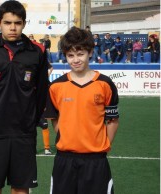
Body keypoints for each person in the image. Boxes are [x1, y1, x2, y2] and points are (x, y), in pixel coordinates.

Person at [0, 1, 49, 194]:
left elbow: (41, 92)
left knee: (21, 189)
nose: (12, 27)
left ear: (24, 23)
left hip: (23, 131)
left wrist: (31, 120)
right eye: (7, 22)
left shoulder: (38, 51)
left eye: (17, 22)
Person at [44, 27, 119, 194]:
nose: (75, 60)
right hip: (64, 160)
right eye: (70, 55)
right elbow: (54, 118)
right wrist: (68, 137)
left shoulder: (105, 84)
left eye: (80, 54)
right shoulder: (56, 86)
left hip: (96, 161)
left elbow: (112, 120)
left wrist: (104, 144)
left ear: (90, 52)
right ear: (65, 56)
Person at [38, 64, 53, 155]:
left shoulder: (47, 82)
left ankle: (46, 148)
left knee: (44, 126)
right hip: (30, 107)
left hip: (41, 107)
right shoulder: (29, 76)